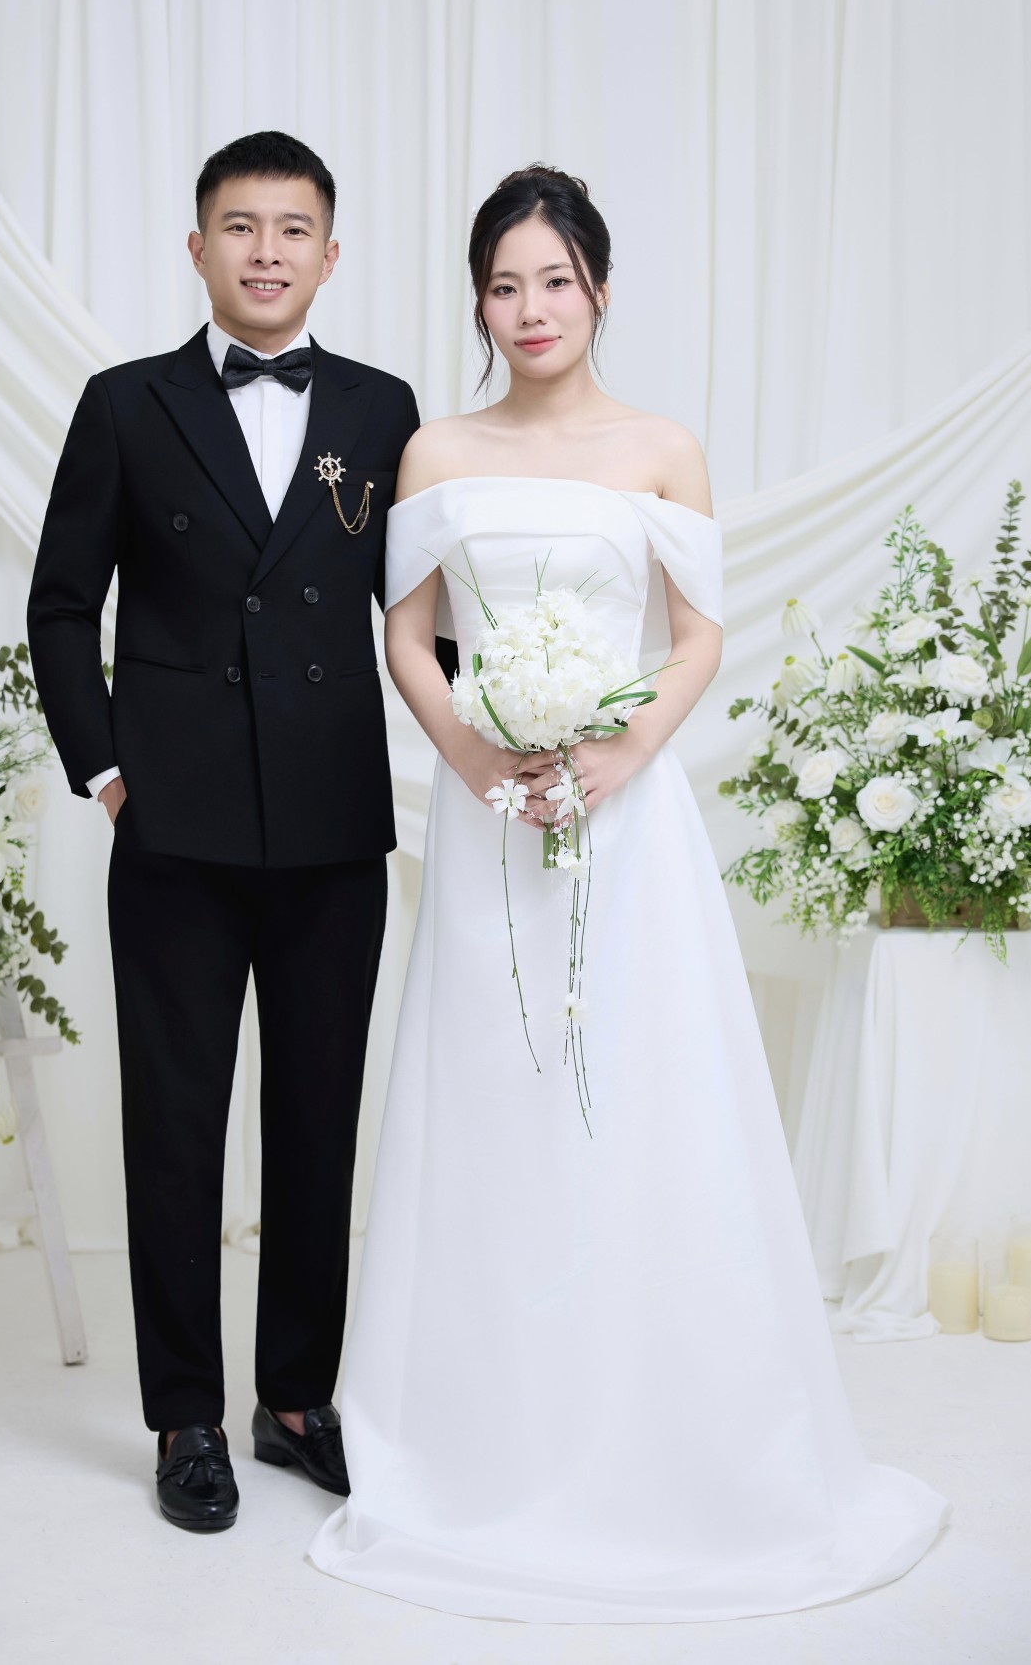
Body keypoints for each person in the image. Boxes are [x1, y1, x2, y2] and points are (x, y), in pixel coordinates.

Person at [309, 165, 950, 1620]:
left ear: (598, 288)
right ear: (478, 303)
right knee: (494, 1091)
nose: (529, 309)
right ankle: (476, 1445)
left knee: (643, 1092)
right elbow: (408, 638)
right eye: (503, 285)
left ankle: (666, 1431)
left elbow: (697, 633)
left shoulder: (663, 447)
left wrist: (621, 752)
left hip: (626, 815)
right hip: (490, 817)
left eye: (555, 280)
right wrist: (481, 758)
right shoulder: (435, 451)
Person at [27, 130, 423, 1532]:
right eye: (240, 227)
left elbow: (421, 611)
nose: (266, 251)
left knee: (318, 1120)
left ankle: (296, 1399)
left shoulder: (383, 410)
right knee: (176, 1126)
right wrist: (108, 772)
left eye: (292, 228)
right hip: (176, 827)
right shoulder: (126, 404)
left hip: (332, 820)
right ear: (197, 248)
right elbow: (60, 603)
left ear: (331, 253)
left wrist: (518, 723)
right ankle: (186, 1417)